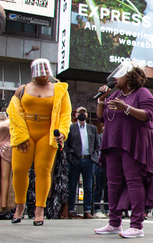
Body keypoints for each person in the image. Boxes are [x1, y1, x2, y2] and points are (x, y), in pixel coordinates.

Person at [93, 61, 153, 238]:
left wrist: (125, 108)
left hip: (133, 144)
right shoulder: (115, 94)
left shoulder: (143, 93)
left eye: (120, 75)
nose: (115, 78)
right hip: (113, 143)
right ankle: (114, 223)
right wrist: (102, 99)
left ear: (130, 77)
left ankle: (136, 225)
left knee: (134, 182)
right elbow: (100, 117)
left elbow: (148, 115)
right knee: (113, 184)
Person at [8, 59, 71, 226]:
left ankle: (39, 209)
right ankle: (19, 206)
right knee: (19, 170)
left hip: (47, 133)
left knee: (43, 170)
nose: (43, 76)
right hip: (25, 133)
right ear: (33, 73)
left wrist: (62, 133)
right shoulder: (22, 90)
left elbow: (65, 114)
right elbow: (13, 113)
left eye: (45, 73)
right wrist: (20, 135)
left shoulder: (60, 90)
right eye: (39, 73)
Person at [65, 106, 100, 219]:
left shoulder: (92, 128)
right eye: (80, 113)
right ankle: (71, 210)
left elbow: (96, 144)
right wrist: (71, 156)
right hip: (75, 160)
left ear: (86, 115)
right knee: (72, 186)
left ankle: (87, 210)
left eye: (84, 113)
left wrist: (93, 156)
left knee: (88, 187)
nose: (82, 114)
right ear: (76, 114)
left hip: (88, 160)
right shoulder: (71, 127)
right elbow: (67, 144)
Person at [93, 123, 108, 218]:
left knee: (109, 188)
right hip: (100, 164)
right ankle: (97, 209)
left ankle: (108, 209)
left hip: (110, 165)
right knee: (98, 187)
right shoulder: (99, 137)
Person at [0, 111, 12, 211]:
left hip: (6, 150)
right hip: (6, 148)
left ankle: (4, 204)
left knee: (5, 176)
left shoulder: (10, 121)